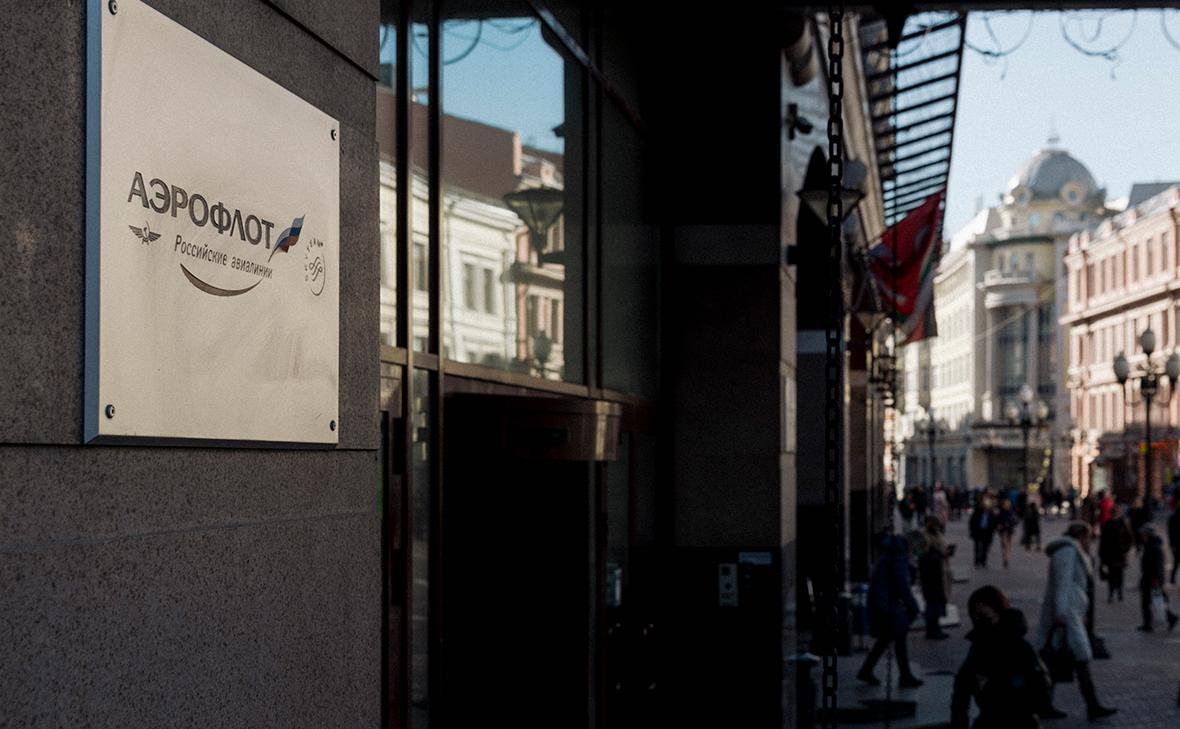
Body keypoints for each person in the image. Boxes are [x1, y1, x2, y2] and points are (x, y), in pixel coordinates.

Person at [1036, 522, 1116, 721]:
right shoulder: (1068, 552)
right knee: (1076, 657)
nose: (1090, 542)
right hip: (1067, 614)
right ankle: (1090, 705)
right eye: (1088, 537)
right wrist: (1062, 613)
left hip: (1072, 612)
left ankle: (1048, 705)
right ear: (1082, 536)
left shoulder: (1072, 551)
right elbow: (1062, 584)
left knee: (1062, 660)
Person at [951, 586, 1051, 729]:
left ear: (999, 613)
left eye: (985, 616)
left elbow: (1039, 692)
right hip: (992, 719)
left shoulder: (1019, 647)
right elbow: (962, 689)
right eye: (976, 616)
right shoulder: (980, 646)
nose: (980, 621)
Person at [857, 533, 923, 688]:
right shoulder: (898, 557)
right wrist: (913, 607)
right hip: (887, 604)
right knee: (897, 637)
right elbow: (902, 585)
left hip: (881, 602)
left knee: (887, 638)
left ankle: (868, 670)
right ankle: (904, 676)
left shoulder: (887, 556)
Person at [1137, 524, 1179, 632]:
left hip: (1152, 580)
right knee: (1156, 600)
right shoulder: (1150, 545)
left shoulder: (1154, 547)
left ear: (1148, 535)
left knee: (1151, 601)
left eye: (1144, 534)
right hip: (1150, 579)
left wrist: (1156, 580)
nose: (1142, 536)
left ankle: (1149, 624)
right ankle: (1169, 618)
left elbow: (1158, 566)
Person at [919, 517, 953, 640]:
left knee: (938, 602)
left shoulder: (937, 534)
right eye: (934, 524)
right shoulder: (924, 537)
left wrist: (947, 552)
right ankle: (931, 630)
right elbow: (924, 557)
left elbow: (941, 550)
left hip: (940, 572)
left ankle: (936, 628)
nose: (936, 527)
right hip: (930, 575)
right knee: (932, 603)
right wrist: (939, 554)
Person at [1098, 505, 1133, 602]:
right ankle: (1111, 593)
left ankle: (1119, 592)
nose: (1114, 514)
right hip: (1110, 554)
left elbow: (1130, 538)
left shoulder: (1123, 523)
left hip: (1120, 553)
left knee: (1119, 574)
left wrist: (1125, 549)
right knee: (1111, 575)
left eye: (1116, 513)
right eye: (1113, 513)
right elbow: (1103, 540)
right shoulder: (1108, 524)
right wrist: (1102, 554)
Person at [996, 499, 1019, 568]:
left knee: (1008, 545)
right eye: (1006, 504)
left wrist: (1011, 523)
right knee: (1004, 545)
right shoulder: (1001, 512)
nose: (1007, 505)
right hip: (1003, 530)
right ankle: (1005, 558)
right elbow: (997, 520)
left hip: (1009, 530)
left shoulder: (1011, 512)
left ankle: (1006, 558)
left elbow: (1015, 520)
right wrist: (999, 525)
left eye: (1008, 504)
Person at [1168, 502, 1180, 585]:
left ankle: (1172, 579)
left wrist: (1171, 544)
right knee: (1176, 562)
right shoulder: (1173, 518)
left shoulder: (1172, 517)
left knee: (1175, 562)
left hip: (1175, 544)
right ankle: (1172, 579)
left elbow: (1170, 532)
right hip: (1176, 543)